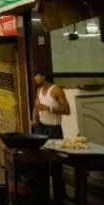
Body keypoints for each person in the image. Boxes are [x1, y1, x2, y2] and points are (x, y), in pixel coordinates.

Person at [31, 69, 70, 199]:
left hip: (54, 129)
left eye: (37, 76)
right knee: (40, 161)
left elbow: (67, 109)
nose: (35, 79)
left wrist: (49, 108)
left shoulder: (56, 90)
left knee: (55, 163)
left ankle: (60, 194)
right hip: (41, 128)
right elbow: (36, 107)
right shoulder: (39, 91)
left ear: (43, 76)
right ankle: (43, 194)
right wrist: (34, 120)